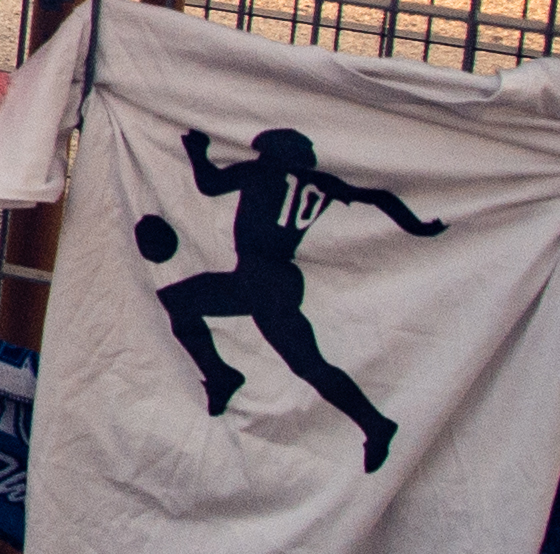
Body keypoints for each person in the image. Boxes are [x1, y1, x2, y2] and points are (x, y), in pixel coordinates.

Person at [160, 127, 438, 472]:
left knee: (179, 300)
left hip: (258, 278)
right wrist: (417, 227)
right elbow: (379, 196)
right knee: (308, 365)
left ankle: (221, 377)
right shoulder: (321, 183)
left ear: (276, 153)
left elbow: (210, 184)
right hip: (281, 280)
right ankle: (374, 423)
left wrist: (196, 152)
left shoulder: (262, 172)